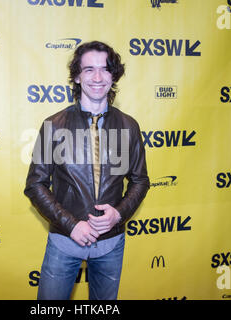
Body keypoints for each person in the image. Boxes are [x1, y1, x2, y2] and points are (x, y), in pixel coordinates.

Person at [24, 40, 149, 300]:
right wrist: (72, 225)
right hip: (65, 241)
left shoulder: (128, 126)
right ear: (77, 76)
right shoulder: (54, 126)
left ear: (113, 76)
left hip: (111, 243)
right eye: (89, 69)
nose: (97, 77)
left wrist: (119, 214)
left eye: (105, 69)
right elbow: (35, 185)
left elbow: (140, 180)